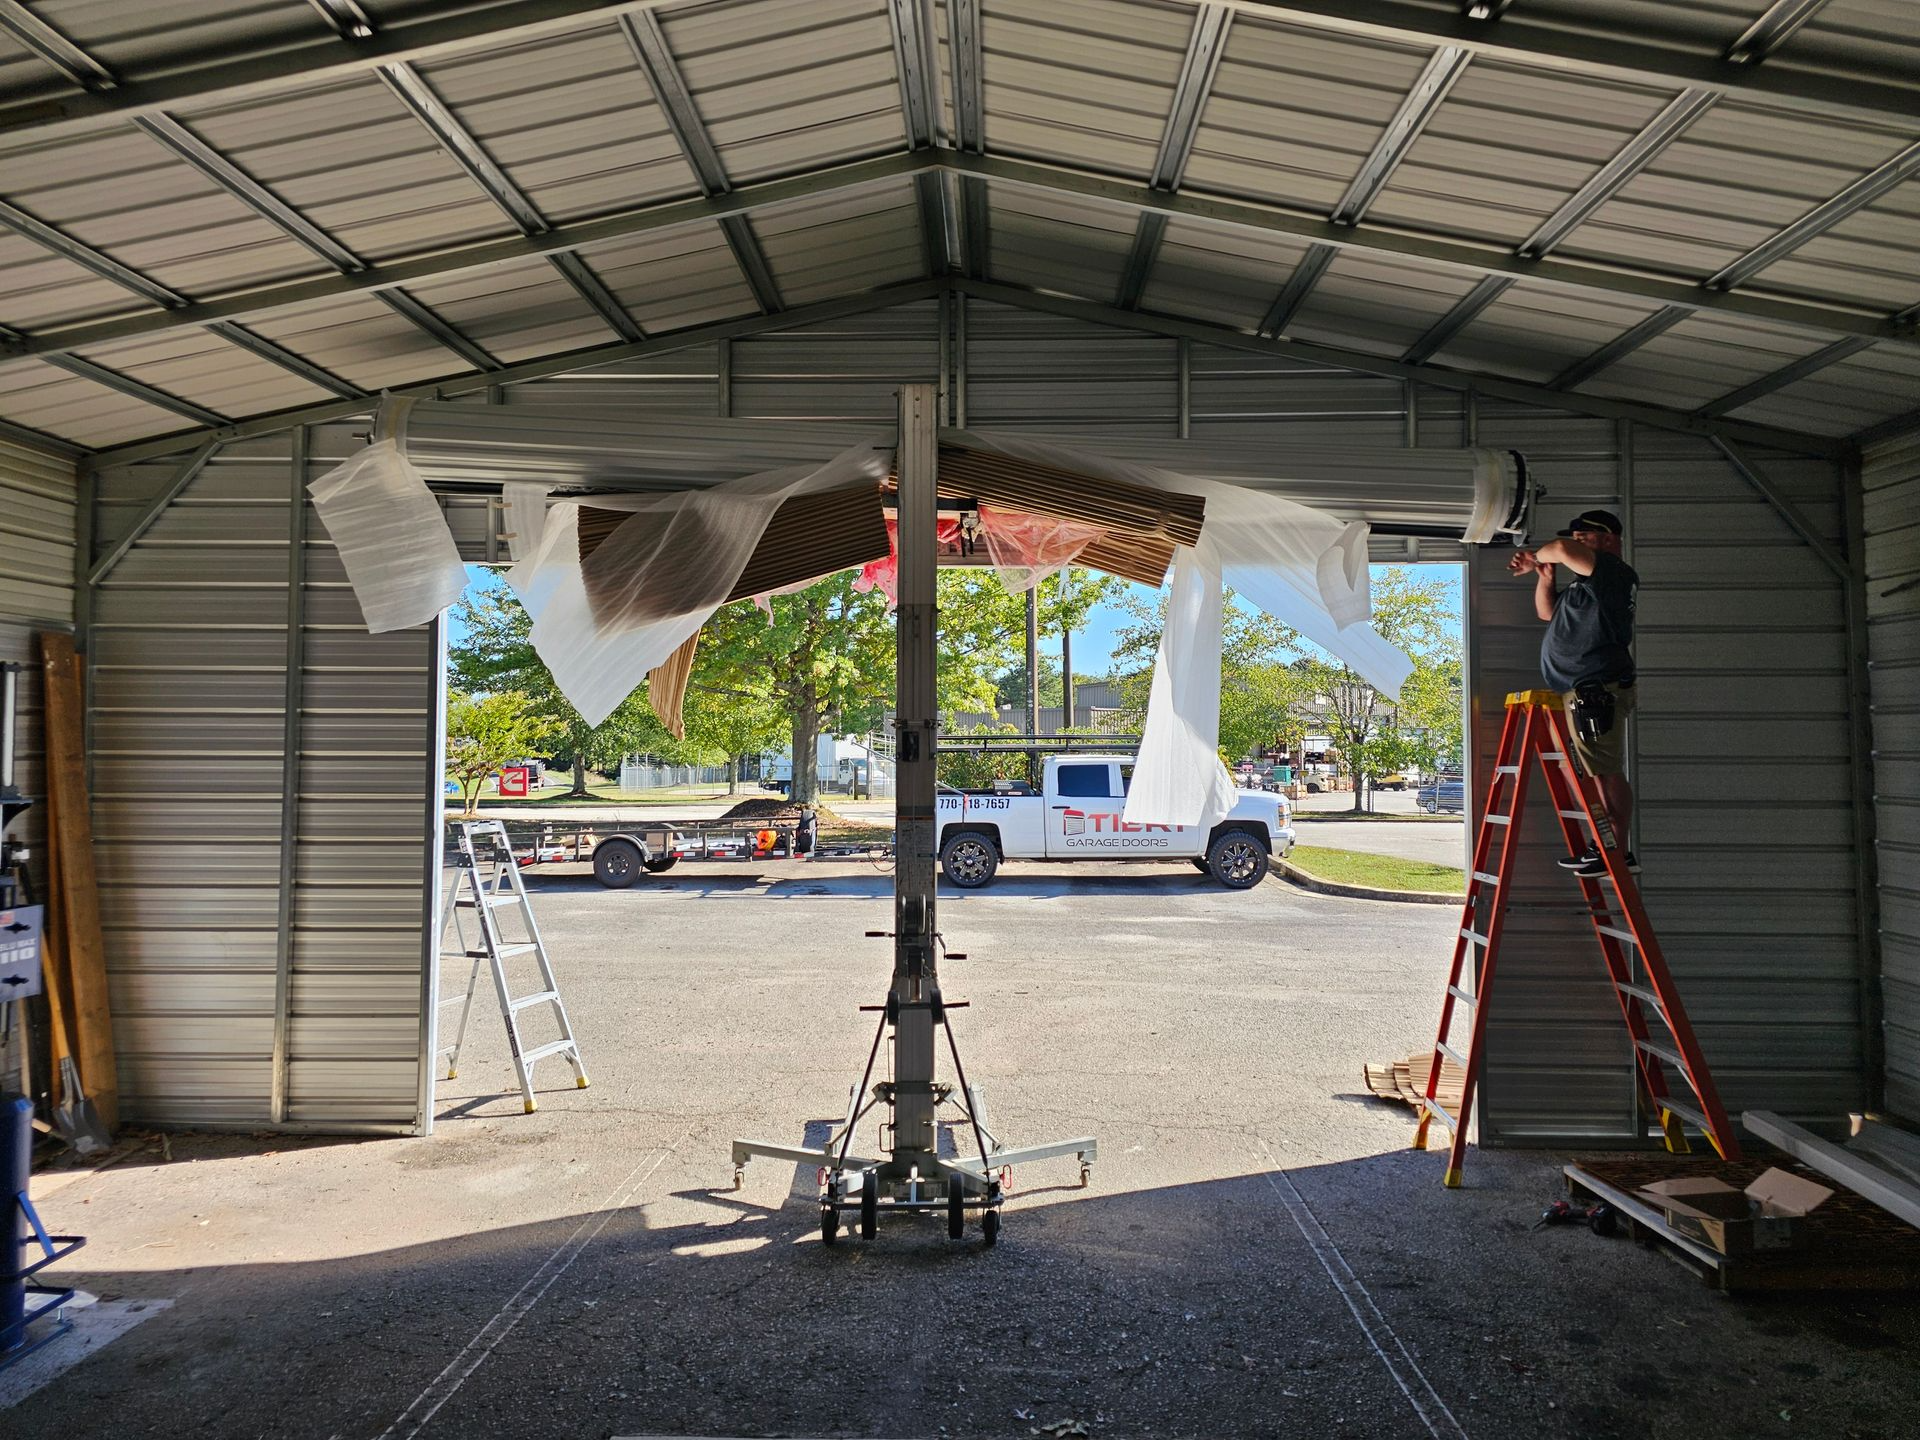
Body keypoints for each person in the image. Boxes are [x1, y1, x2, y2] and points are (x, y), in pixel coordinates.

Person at [1507, 509, 1639, 878]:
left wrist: (1537, 555)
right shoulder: (1585, 587)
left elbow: (1562, 548)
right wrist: (1544, 576)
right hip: (1580, 690)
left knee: (1605, 772)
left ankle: (1615, 849)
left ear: (1609, 539)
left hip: (1596, 689)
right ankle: (1606, 846)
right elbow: (1547, 612)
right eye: (1576, 537)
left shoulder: (1613, 573)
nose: (1577, 542)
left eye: (1586, 537)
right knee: (1595, 771)